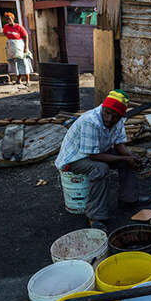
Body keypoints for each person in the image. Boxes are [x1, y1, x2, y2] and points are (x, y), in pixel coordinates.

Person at [54, 90, 144, 231]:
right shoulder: (91, 121)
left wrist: (131, 156)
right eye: (106, 113)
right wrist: (125, 157)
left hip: (97, 152)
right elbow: (93, 156)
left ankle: (129, 199)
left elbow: (119, 144)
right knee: (100, 168)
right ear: (103, 108)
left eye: (114, 117)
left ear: (120, 116)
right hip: (74, 158)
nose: (109, 119)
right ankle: (96, 217)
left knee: (128, 161)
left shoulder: (119, 120)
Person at [2, 12, 32, 85]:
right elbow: (6, 34)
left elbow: (26, 36)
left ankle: (27, 80)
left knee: (23, 62)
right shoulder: (6, 27)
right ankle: (19, 80)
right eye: (7, 19)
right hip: (12, 47)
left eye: (10, 18)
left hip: (20, 46)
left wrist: (26, 47)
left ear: (13, 19)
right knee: (15, 63)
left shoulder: (18, 27)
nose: (9, 20)